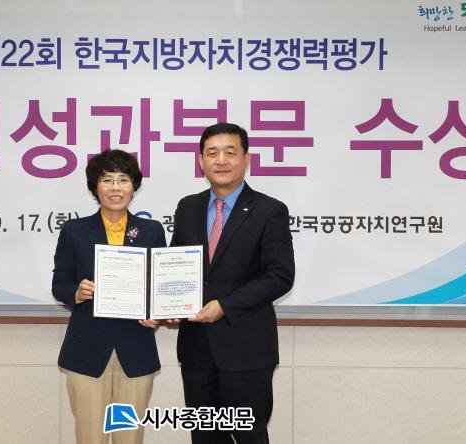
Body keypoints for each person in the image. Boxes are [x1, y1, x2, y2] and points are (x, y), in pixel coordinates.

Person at [170, 122, 295, 443]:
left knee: (249, 436)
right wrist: (167, 306)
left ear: (246, 159)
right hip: (196, 350)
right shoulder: (187, 207)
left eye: (230, 152)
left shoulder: (269, 210)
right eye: (212, 153)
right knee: (205, 437)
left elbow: (280, 276)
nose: (221, 160)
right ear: (201, 161)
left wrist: (225, 306)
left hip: (246, 350)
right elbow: (174, 266)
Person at [52, 149, 166, 444]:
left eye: (123, 180)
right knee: (91, 437)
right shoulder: (75, 230)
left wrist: (158, 313)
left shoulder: (151, 231)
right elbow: (59, 284)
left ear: (134, 186)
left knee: (130, 437)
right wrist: (76, 292)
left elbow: (161, 286)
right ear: (95, 186)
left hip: (136, 348)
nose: (116, 187)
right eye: (107, 180)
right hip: (87, 348)